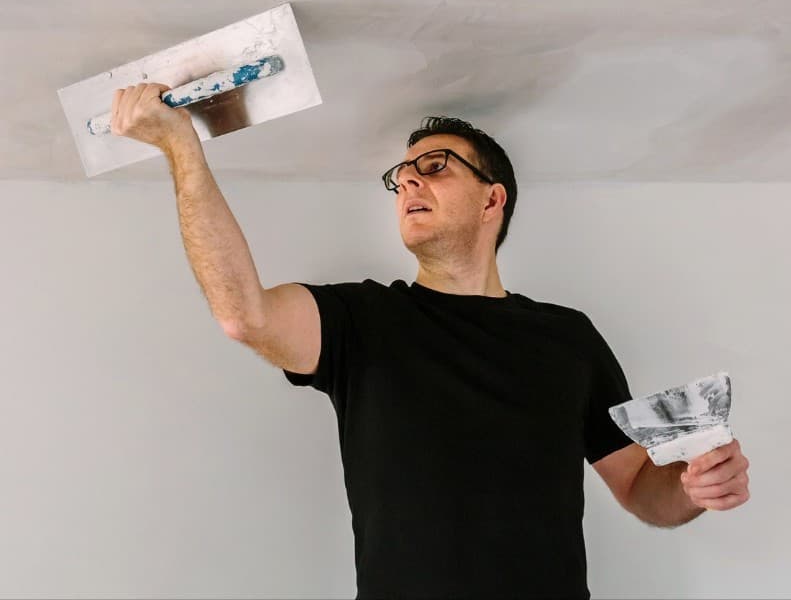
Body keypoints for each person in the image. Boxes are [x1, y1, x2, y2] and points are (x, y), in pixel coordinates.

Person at [111, 82, 751, 599]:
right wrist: (182, 150)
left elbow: (642, 486)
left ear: (491, 199)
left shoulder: (567, 337)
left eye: (435, 168)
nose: (409, 182)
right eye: (402, 175)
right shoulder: (360, 321)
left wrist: (694, 488)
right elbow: (243, 316)